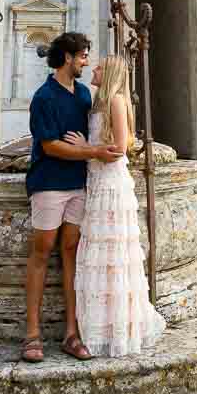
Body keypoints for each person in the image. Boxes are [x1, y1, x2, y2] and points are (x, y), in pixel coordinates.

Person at [22, 31, 122, 364]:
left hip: (78, 185)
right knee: (41, 251)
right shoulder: (44, 97)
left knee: (71, 254)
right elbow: (49, 145)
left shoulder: (82, 95)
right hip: (49, 183)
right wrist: (92, 151)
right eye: (82, 56)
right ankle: (32, 335)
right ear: (67, 57)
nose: (85, 62)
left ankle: (71, 333)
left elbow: (99, 130)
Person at [67, 54, 166, 358]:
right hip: (97, 184)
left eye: (98, 67)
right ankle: (103, 325)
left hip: (111, 185)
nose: (93, 69)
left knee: (114, 257)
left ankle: (120, 328)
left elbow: (119, 149)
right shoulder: (98, 102)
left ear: (109, 73)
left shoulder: (117, 101)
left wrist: (83, 148)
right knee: (103, 259)